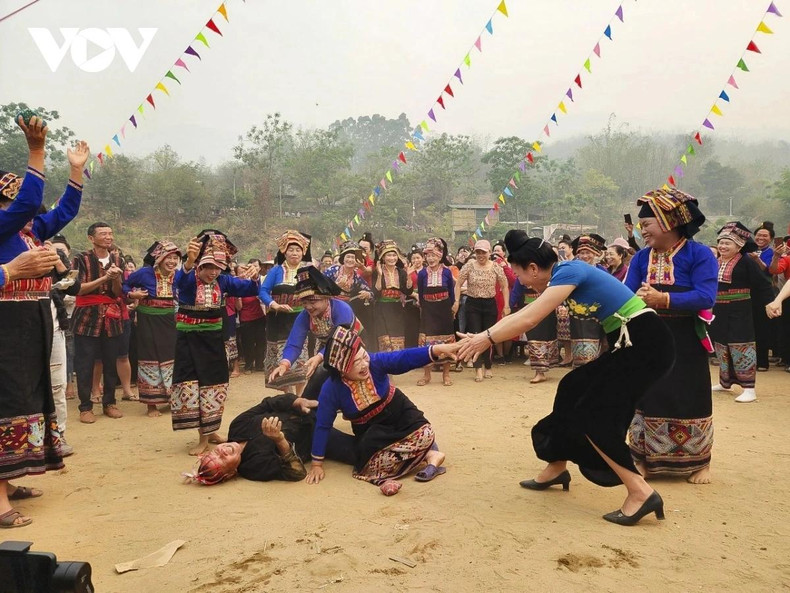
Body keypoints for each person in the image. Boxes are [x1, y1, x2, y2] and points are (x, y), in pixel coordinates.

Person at [458, 229, 675, 526]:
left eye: (519, 273)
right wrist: (483, 336)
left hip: (645, 343)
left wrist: (485, 340)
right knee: (572, 387)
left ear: (533, 268)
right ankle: (557, 464)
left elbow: (530, 318)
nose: (518, 280)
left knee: (593, 415)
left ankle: (640, 492)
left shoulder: (568, 270)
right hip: (631, 342)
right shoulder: (562, 274)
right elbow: (526, 313)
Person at [0, 115, 67, 528]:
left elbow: (64, 211)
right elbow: (28, 204)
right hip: (6, 325)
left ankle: (11, 477)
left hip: (29, 321)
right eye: (8, 199)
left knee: (26, 398)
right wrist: (37, 153)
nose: (19, 207)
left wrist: (76, 172)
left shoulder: (28, 230)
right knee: (6, 401)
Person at [624, 188, 718, 483]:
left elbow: (706, 296)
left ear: (668, 222)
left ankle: (700, 462)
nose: (643, 231)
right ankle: (644, 458)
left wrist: (663, 300)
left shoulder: (699, 254)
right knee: (647, 393)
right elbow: (626, 292)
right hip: (651, 336)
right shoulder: (641, 258)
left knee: (691, 394)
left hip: (686, 338)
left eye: (647, 224)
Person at [305, 326, 454, 495]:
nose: (364, 365)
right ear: (341, 369)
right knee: (367, 459)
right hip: (370, 430)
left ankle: (429, 454)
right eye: (355, 363)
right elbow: (323, 425)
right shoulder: (331, 389)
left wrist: (436, 349)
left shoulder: (375, 362)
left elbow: (403, 358)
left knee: (425, 434)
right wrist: (317, 464)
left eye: (363, 357)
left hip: (399, 414)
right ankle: (427, 459)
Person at [172, 231, 260, 455]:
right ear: (199, 265)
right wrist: (189, 262)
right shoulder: (189, 279)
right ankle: (201, 438)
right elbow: (179, 282)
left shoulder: (223, 280)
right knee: (195, 385)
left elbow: (248, 289)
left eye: (217, 267)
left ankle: (210, 432)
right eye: (208, 267)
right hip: (189, 341)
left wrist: (254, 277)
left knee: (214, 385)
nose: (212, 272)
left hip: (213, 340)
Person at [184, 394, 355, 484]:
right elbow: (296, 473)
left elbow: (267, 404)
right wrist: (279, 440)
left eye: (216, 452)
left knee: (324, 371)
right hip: (316, 436)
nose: (222, 450)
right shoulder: (254, 467)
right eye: (223, 458)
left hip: (301, 409)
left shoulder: (237, 426)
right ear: (230, 474)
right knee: (361, 452)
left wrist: (297, 401)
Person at [710, 222, 773, 403]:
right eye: (721, 242)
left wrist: (771, 303)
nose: (722, 246)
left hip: (740, 309)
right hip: (719, 309)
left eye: (727, 243)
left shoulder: (746, 261)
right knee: (722, 345)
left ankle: (749, 388)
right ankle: (725, 382)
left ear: (739, 246)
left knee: (742, 346)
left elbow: (763, 285)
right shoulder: (717, 262)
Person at [268, 265, 361, 388]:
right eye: (304, 303)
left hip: (355, 348)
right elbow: (294, 343)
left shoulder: (342, 309)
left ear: (326, 298)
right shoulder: (304, 316)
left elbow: (341, 341)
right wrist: (285, 363)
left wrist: (319, 357)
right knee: (316, 384)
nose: (308, 307)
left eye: (312, 302)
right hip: (326, 350)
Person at [72, 222, 126, 423]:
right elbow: (77, 289)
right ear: (91, 238)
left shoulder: (117, 257)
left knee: (110, 362)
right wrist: (105, 278)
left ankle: (110, 403)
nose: (108, 237)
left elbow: (117, 292)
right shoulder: (80, 259)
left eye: (110, 233)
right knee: (84, 363)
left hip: (111, 317)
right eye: (103, 234)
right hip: (86, 316)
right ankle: (85, 407)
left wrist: (115, 279)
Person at [123, 240, 181, 417]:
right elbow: (125, 285)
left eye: (174, 258)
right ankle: (151, 404)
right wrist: (133, 294)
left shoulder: (177, 275)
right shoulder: (144, 273)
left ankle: (172, 398)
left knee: (171, 358)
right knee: (149, 359)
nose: (171, 261)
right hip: (147, 321)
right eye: (168, 257)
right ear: (159, 258)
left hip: (169, 321)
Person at [259, 230, 312, 395]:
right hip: (277, 320)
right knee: (279, 359)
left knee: (300, 357)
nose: (294, 253)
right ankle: (288, 396)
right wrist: (274, 305)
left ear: (303, 252)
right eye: (291, 249)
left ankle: (299, 396)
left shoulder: (308, 271)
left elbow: (315, 293)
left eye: (298, 250)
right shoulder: (276, 271)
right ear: (284, 251)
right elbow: (263, 291)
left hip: (300, 319)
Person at [454, 239, 509, 382]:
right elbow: (458, 284)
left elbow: (504, 286)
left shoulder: (496, 267)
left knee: (489, 336)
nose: (480, 255)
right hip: (473, 304)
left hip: (490, 304)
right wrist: (456, 301)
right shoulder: (469, 266)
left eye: (483, 252)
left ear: (489, 253)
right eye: (478, 252)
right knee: (475, 335)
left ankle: (488, 366)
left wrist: (507, 305)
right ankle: (478, 368)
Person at [416, 238, 456, 387]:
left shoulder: (446, 272)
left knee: (447, 340)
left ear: (440, 255)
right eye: (428, 255)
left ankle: (446, 375)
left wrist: (451, 309)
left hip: (444, 310)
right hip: (428, 310)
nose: (430, 258)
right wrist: (424, 308)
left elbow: (451, 294)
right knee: (426, 342)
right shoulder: (422, 274)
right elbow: (420, 293)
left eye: (434, 255)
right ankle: (427, 375)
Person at [567, 234, 608, 367]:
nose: (585, 256)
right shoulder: (572, 270)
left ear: (595, 253)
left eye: (588, 253)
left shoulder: (603, 271)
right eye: (582, 253)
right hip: (577, 315)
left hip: (598, 315)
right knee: (580, 349)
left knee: (599, 347)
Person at [323, 241, 373, 346]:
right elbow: (320, 288)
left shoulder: (356, 277)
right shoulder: (332, 271)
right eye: (348, 257)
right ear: (343, 258)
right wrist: (337, 286)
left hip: (346, 308)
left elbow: (370, 292)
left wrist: (367, 294)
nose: (350, 260)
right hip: (329, 307)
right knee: (330, 336)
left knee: (360, 333)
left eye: (353, 258)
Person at [510, 281, 557, 384]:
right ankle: (539, 372)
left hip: (548, 309)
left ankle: (544, 367)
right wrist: (509, 306)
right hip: (530, 310)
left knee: (547, 338)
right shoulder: (524, 273)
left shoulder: (550, 272)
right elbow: (516, 292)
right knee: (534, 340)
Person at [372, 240, 412, 352]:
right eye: (389, 255)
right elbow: (375, 292)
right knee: (384, 340)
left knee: (397, 339)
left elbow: (407, 291)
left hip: (397, 309)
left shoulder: (401, 272)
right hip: (382, 309)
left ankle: (396, 366)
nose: (392, 258)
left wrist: (408, 275)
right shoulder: (377, 271)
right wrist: (380, 275)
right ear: (383, 257)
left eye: (394, 255)